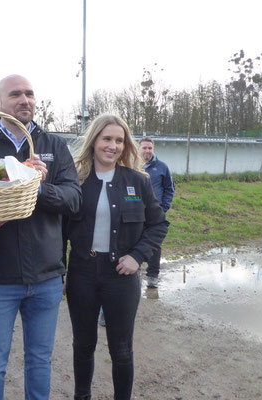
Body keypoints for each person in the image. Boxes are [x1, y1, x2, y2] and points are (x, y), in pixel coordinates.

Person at [0, 74, 81, 400]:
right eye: (15, 94)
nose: (24, 100)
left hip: (46, 278)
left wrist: (37, 186)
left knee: (39, 360)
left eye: (29, 94)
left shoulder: (54, 145)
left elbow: (73, 199)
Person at [65, 114, 169, 400]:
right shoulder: (75, 180)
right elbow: (59, 228)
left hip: (121, 277)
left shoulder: (138, 181)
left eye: (119, 141)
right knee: (83, 345)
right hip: (82, 273)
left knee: (121, 349)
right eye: (107, 139)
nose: (112, 146)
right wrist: (59, 271)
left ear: (126, 146)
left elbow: (158, 224)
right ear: (94, 141)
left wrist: (137, 256)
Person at [139, 136, 175, 288]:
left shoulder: (162, 167)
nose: (147, 150)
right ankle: (133, 272)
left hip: (155, 213)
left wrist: (163, 207)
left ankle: (152, 276)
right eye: (144, 147)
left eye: (150, 148)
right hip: (135, 212)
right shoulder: (131, 164)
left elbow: (169, 188)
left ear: (153, 149)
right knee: (132, 240)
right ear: (139, 148)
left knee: (154, 244)